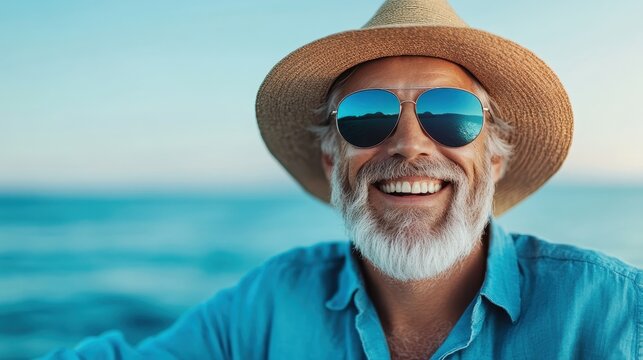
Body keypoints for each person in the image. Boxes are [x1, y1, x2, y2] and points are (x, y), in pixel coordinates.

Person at [43, 0, 641, 359]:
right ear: (334, 162)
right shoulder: (267, 306)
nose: (409, 143)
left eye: (451, 116)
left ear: (495, 160)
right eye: (367, 116)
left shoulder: (614, 314)